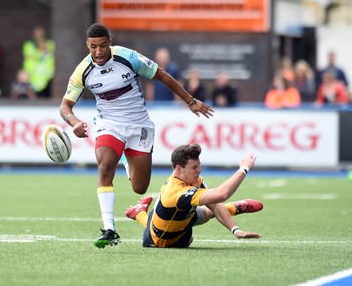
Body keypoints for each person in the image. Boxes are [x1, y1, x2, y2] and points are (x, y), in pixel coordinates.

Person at [59, 23, 214, 248]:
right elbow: (65, 106)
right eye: (93, 47)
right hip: (108, 124)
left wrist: (190, 101)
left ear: (109, 42)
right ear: (87, 46)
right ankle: (109, 229)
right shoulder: (82, 71)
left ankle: (125, 161)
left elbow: (161, 75)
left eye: (103, 45)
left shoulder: (128, 58)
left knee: (139, 187)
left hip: (138, 125)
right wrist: (73, 122)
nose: (99, 52)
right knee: (104, 167)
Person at [125, 143, 262, 248]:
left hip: (175, 216)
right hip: (163, 241)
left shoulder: (194, 180)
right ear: (178, 168)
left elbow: (214, 203)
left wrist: (235, 230)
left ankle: (138, 211)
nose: (199, 170)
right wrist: (244, 169)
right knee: (191, 235)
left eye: (199, 165)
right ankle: (138, 213)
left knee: (208, 211)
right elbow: (222, 194)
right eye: (194, 167)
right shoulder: (176, 193)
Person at [22, 25, 55, 98]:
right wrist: (41, 51)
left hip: (47, 78)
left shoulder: (50, 44)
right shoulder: (28, 45)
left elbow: (50, 51)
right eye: (37, 35)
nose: (39, 37)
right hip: (31, 77)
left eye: (41, 35)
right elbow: (31, 55)